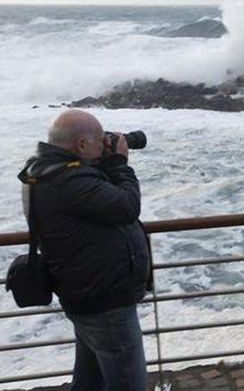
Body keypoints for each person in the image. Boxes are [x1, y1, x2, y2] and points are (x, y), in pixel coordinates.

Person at [17, 109, 150, 391]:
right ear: (80, 146)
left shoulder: (46, 171)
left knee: (90, 383)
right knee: (129, 384)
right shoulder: (69, 180)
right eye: (100, 140)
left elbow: (93, 202)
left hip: (87, 293)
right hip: (105, 305)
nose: (105, 144)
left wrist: (100, 157)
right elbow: (127, 206)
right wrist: (118, 163)